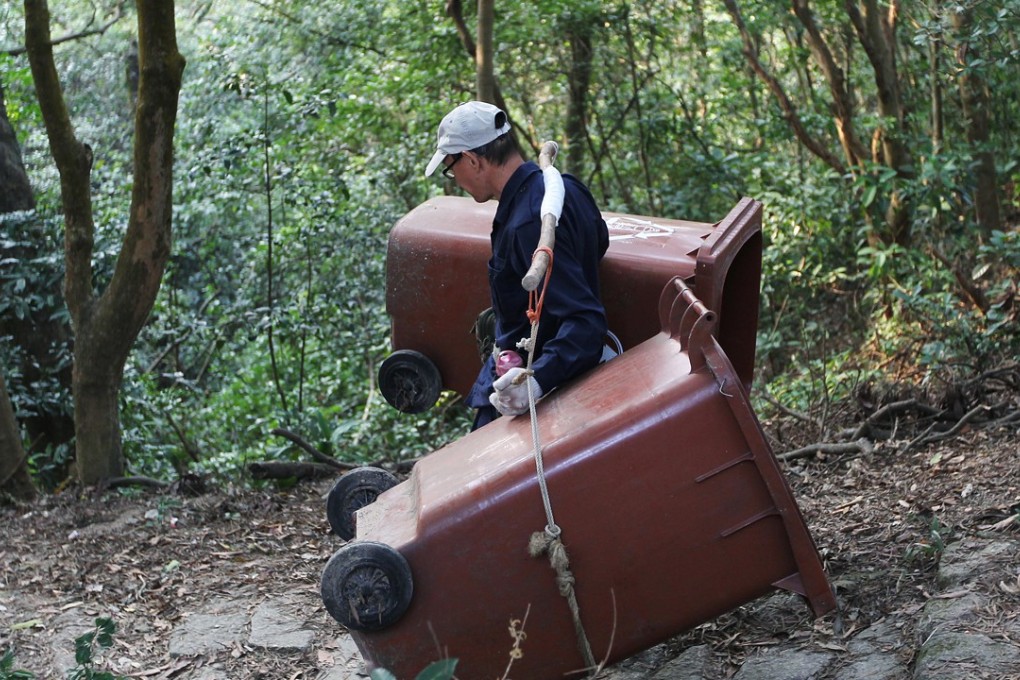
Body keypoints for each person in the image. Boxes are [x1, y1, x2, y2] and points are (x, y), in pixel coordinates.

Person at [424, 101, 610, 429]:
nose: (453, 178)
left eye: (451, 167)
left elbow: (585, 322)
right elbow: (598, 243)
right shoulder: (567, 187)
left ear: (472, 160)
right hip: (515, 367)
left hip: (534, 383)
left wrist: (535, 383)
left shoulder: (526, 224)